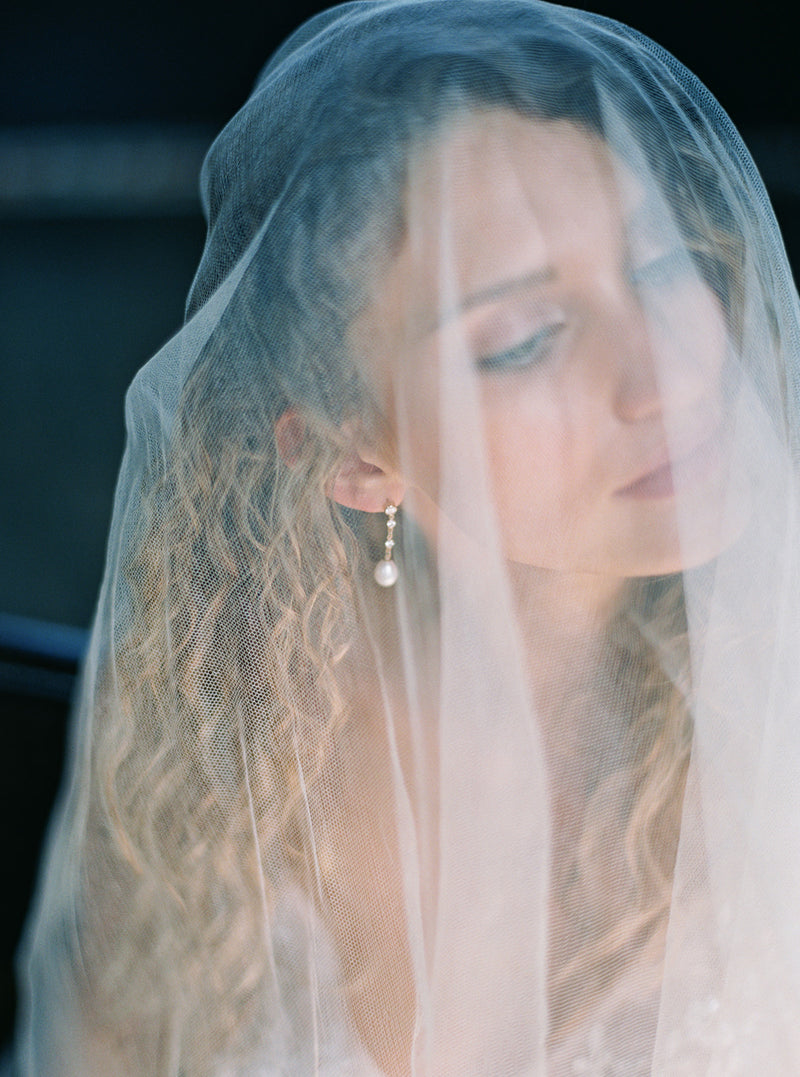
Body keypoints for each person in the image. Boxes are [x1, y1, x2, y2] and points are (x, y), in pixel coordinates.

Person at [14, 1, 800, 1072]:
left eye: (658, 267)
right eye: (525, 340)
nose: (663, 374)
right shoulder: (212, 779)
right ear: (354, 456)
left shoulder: (771, 716)